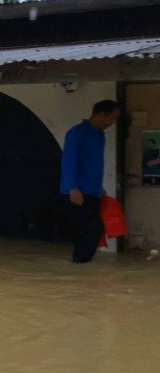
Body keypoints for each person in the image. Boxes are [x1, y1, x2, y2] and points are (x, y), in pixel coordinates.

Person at [60, 100, 120, 263]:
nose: (112, 123)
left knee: (91, 231)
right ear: (102, 115)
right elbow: (68, 162)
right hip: (77, 193)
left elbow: (93, 165)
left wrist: (99, 188)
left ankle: (81, 266)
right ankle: (79, 265)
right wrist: (72, 188)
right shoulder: (76, 133)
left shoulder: (100, 136)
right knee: (93, 228)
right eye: (112, 118)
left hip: (93, 192)